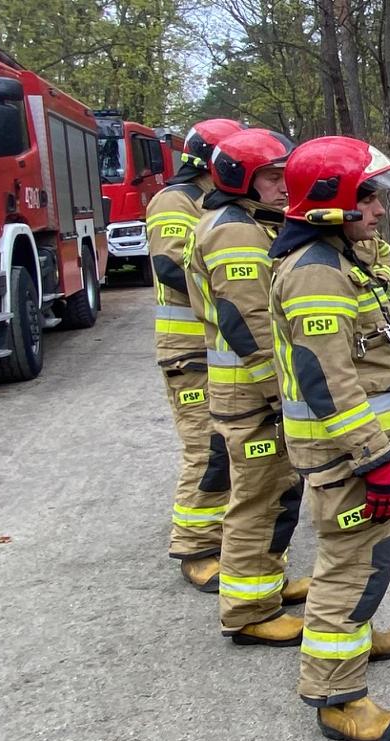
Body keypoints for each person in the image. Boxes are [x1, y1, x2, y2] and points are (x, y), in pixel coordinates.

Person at [267, 136, 390, 741]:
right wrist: (374, 460)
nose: (380, 210)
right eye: (369, 197)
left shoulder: (333, 259)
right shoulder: (315, 274)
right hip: (346, 458)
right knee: (349, 571)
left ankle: (359, 643)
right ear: (332, 204)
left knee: (364, 560)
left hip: (354, 454)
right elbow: (327, 382)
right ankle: (339, 699)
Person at [185, 128, 312, 643]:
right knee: (257, 499)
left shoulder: (249, 222)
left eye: (286, 175)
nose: (284, 186)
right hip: (251, 395)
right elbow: (249, 321)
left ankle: (267, 583)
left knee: (277, 490)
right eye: (271, 177)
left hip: (257, 393)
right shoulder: (234, 230)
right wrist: (277, 389)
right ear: (240, 178)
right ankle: (249, 612)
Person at [145, 118, 244, 591]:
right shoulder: (175, 200)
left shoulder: (210, 202)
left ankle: (223, 535)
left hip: (214, 352)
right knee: (207, 448)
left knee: (227, 445)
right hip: (189, 352)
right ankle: (196, 547)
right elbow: (169, 265)